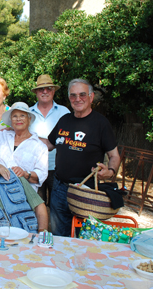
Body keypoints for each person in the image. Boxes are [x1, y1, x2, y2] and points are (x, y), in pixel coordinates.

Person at [43, 78, 121, 237]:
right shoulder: (64, 120)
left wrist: (110, 171)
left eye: (82, 95)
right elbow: (48, 144)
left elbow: (114, 155)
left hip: (86, 192)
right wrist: (22, 136)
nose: (77, 99)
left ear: (91, 97)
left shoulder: (101, 123)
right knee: (59, 237)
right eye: (73, 95)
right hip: (59, 189)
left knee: (84, 238)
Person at [29, 74, 70, 204]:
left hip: (58, 167)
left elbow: (69, 139)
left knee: (58, 207)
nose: (45, 91)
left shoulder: (64, 112)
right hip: (33, 167)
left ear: (53, 91)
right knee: (36, 205)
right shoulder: (27, 113)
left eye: (48, 88)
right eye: (41, 89)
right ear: (36, 92)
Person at [0, 102, 48, 193]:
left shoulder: (40, 146)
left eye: (22, 115)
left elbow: (42, 174)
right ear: (11, 120)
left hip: (23, 195)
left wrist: (25, 174)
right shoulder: (1, 136)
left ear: (29, 119)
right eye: (15, 116)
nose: (18, 119)